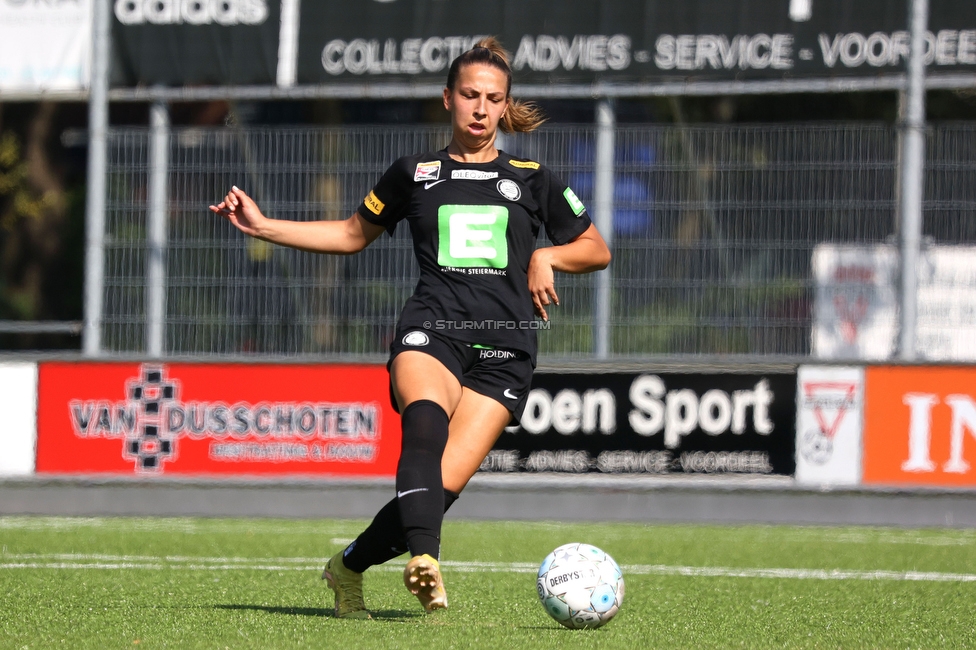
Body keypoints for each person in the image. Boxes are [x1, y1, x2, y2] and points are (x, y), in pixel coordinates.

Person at [209, 37, 611, 618]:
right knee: (423, 422)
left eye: (492, 99)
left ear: (505, 106)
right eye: (469, 95)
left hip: (506, 348)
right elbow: (351, 235)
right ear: (447, 98)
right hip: (432, 329)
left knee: (436, 491)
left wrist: (550, 256)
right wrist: (265, 225)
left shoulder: (533, 177)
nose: (480, 108)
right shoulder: (413, 173)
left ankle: (346, 567)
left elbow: (595, 248)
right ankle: (428, 562)